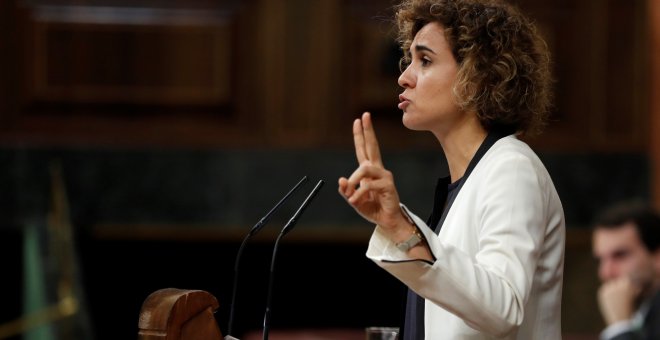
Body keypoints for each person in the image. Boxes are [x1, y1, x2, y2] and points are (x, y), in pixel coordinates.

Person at [337, 0, 565, 338]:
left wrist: (400, 228)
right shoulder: (467, 182)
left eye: (425, 61)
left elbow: (504, 307)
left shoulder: (512, 168)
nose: (403, 77)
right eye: (408, 60)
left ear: (478, 77)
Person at [592, 202, 660, 340]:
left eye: (620, 255)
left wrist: (620, 327)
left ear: (657, 257)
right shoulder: (642, 312)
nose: (605, 273)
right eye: (600, 260)